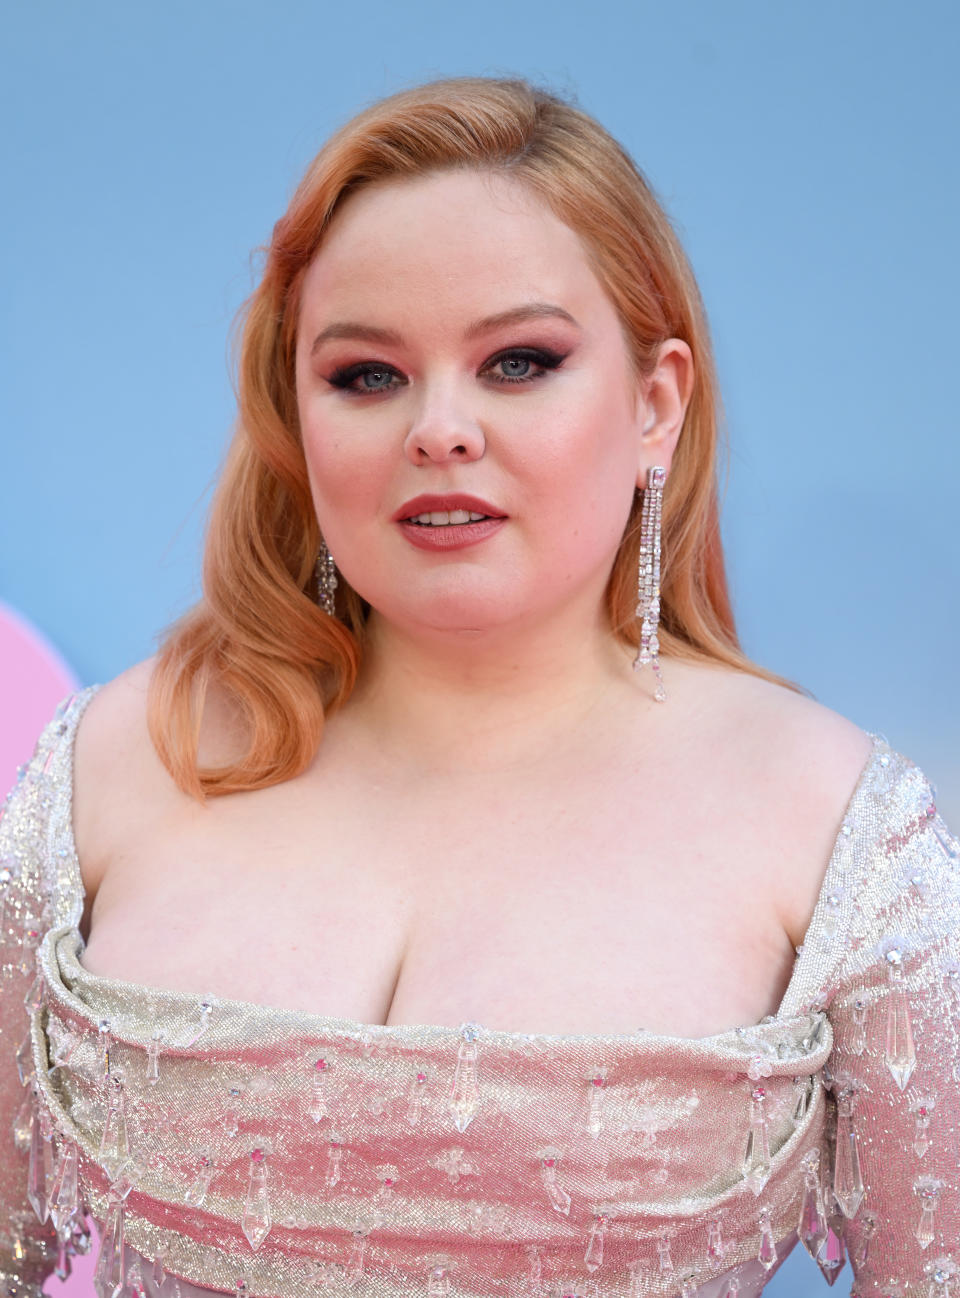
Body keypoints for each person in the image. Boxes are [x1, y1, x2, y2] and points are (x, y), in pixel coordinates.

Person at [1, 74, 957, 1298]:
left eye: (517, 361)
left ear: (656, 404)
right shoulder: (108, 767)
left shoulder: (841, 831)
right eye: (366, 375)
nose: (440, 428)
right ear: (294, 410)